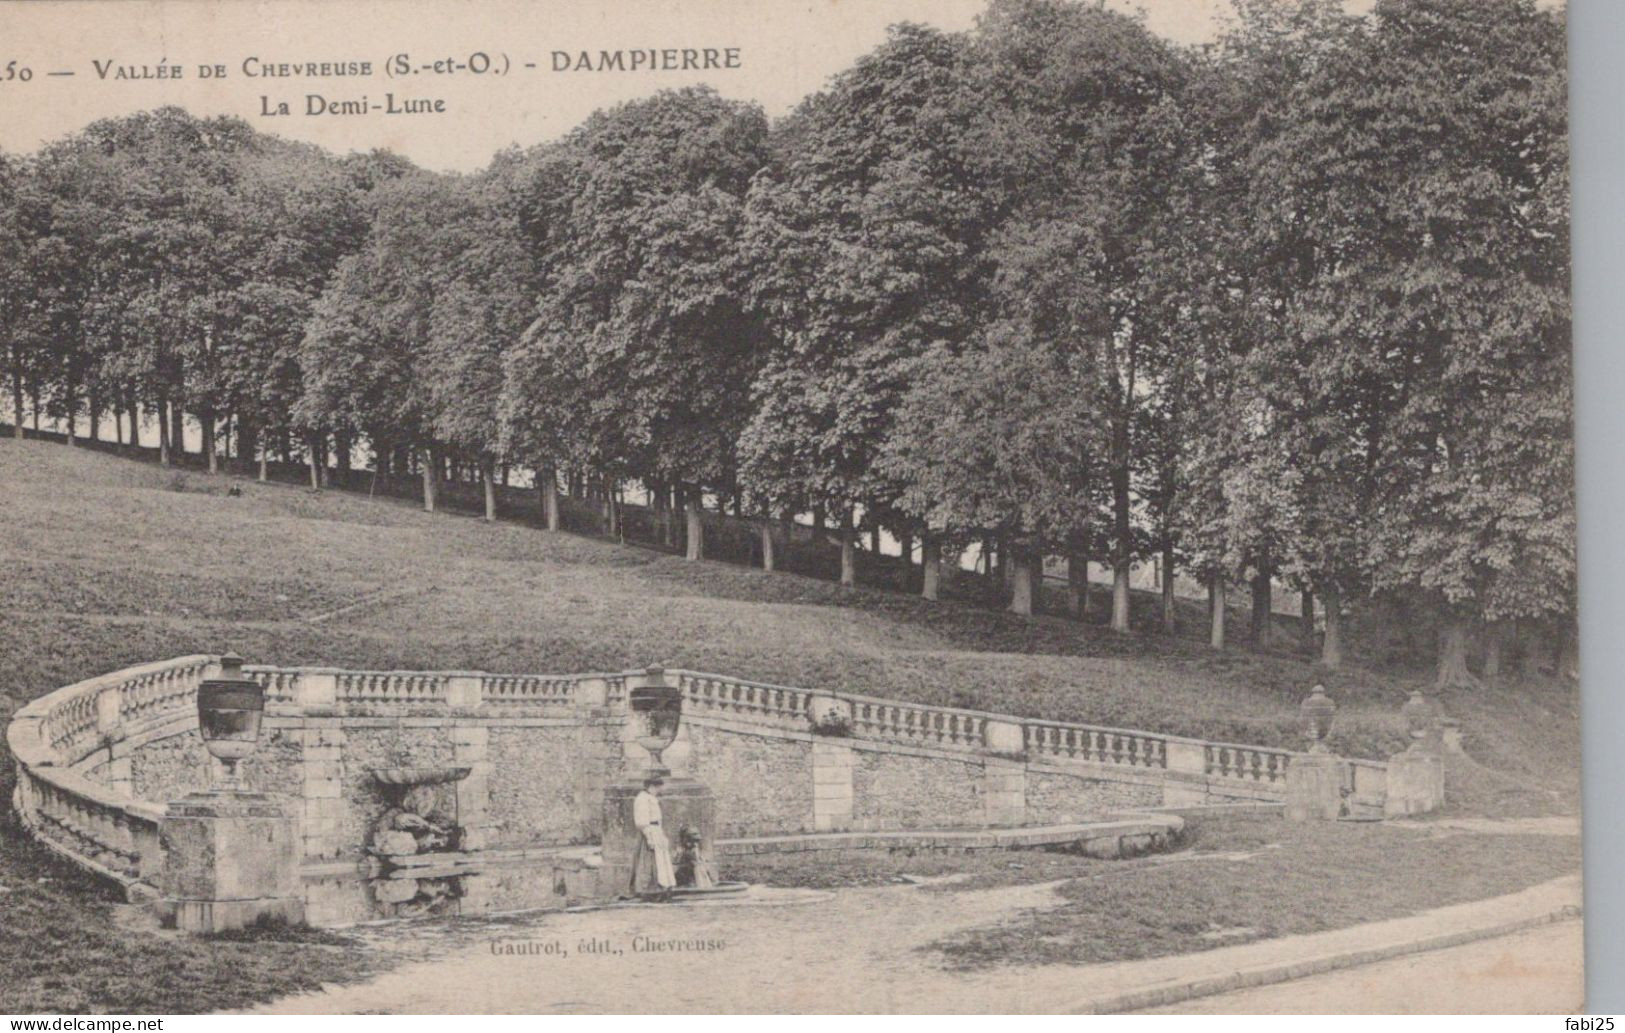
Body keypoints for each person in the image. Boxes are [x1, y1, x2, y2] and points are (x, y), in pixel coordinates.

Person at [631, 775, 676, 896]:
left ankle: (663, 887)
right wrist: (649, 837)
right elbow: (642, 821)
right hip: (649, 831)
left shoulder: (651, 798)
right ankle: (651, 889)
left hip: (656, 830)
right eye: (657, 788)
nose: (659, 791)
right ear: (651, 787)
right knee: (650, 860)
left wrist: (661, 834)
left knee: (661, 859)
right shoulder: (642, 799)